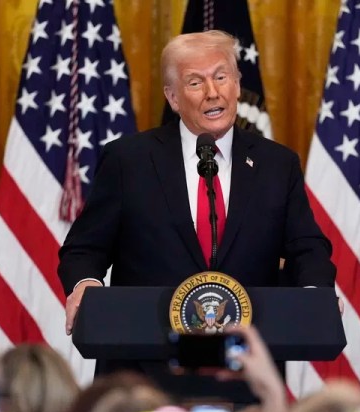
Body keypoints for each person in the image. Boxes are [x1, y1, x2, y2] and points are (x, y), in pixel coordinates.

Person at [57, 30, 336, 387]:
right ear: (173, 98)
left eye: (221, 77)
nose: (212, 92)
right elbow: (84, 249)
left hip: (243, 377)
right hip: (144, 377)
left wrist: (315, 295)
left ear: (237, 84)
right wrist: (85, 283)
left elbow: (307, 248)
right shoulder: (130, 160)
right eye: (195, 82)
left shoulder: (277, 165)